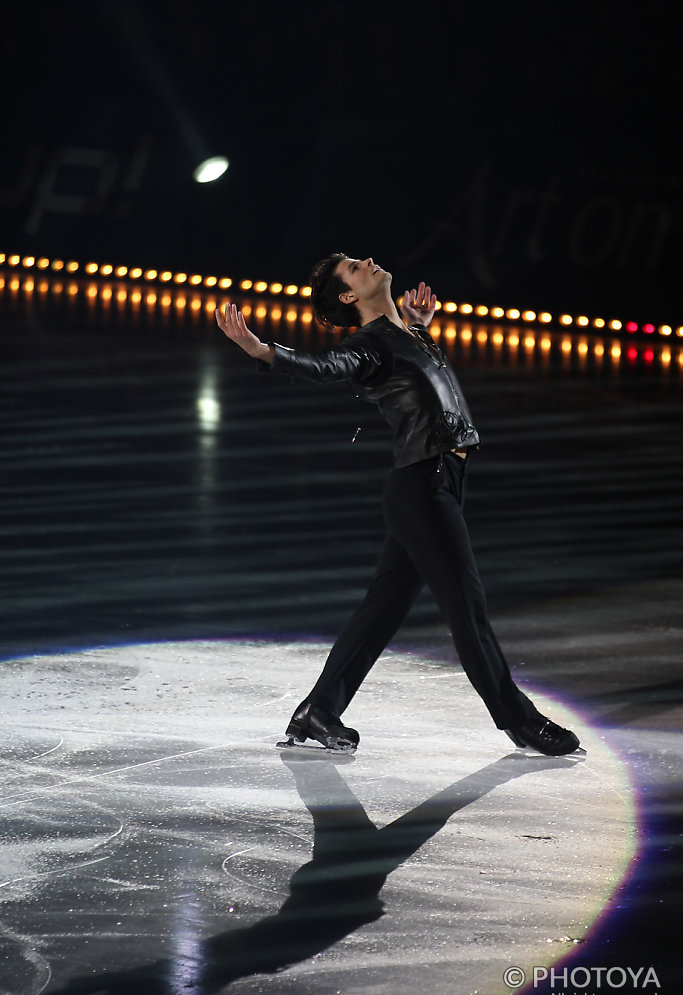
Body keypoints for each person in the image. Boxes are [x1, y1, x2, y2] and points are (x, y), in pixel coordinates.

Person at [215, 253, 582, 757]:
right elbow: (326, 366)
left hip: (439, 483)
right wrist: (261, 349)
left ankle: (319, 709)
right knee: (466, 608)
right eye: (352, 268)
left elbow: (425, 384)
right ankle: (519, 721)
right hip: (422, 489)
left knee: (383, 610)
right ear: (348, 296)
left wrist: (419, 326)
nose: (367, 261)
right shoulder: (367, 346)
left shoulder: (405, 333)